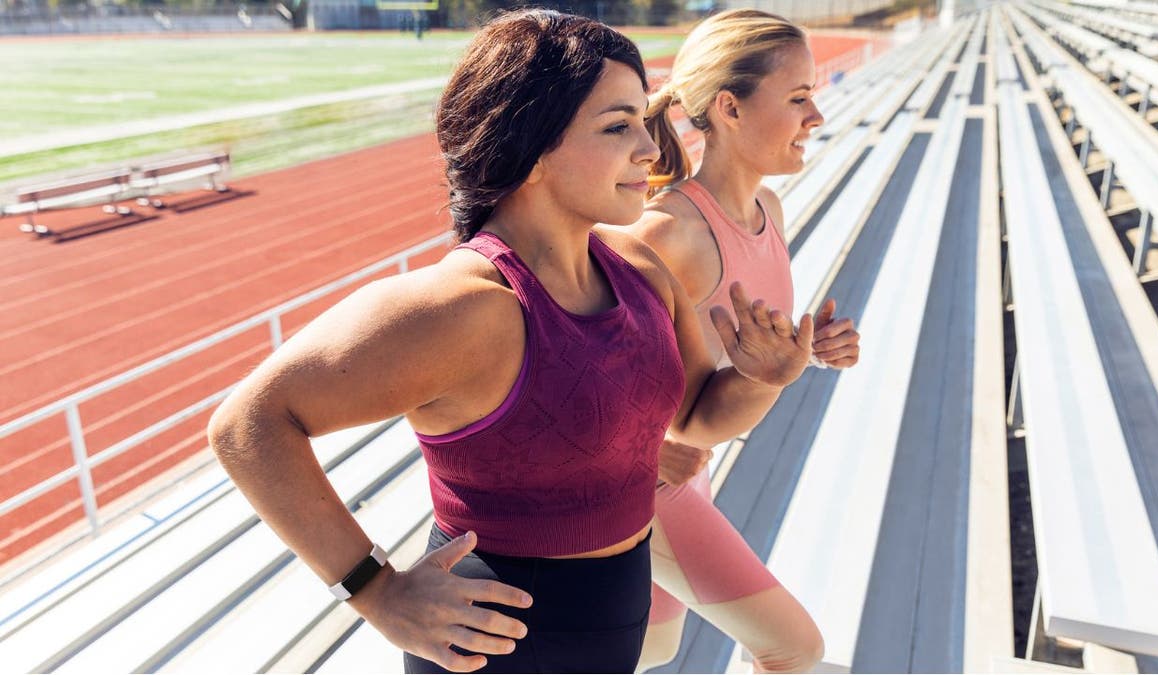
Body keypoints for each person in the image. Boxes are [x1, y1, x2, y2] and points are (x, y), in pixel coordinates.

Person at [207, 9, 822, 674]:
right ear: (529, 147)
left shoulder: (642, 273)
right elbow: (248, 423)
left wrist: (765, 376)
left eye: (642, 121)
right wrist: (374, 588)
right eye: (618, 127)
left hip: (612, 635)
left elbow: (700, 414)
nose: (650, 148)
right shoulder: (467, 308)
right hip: (492, 651)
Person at [627, 9, 862, 673]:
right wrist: (642, 453)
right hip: (648, 484)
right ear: (729, 107)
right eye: (798, 98)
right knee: (794, 646)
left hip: (697, 469)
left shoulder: (770, 211)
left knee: (652, 648)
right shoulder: (668, 233)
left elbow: (722, 358)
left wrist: (812, 346)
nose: (816, 114)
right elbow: (566, 357)